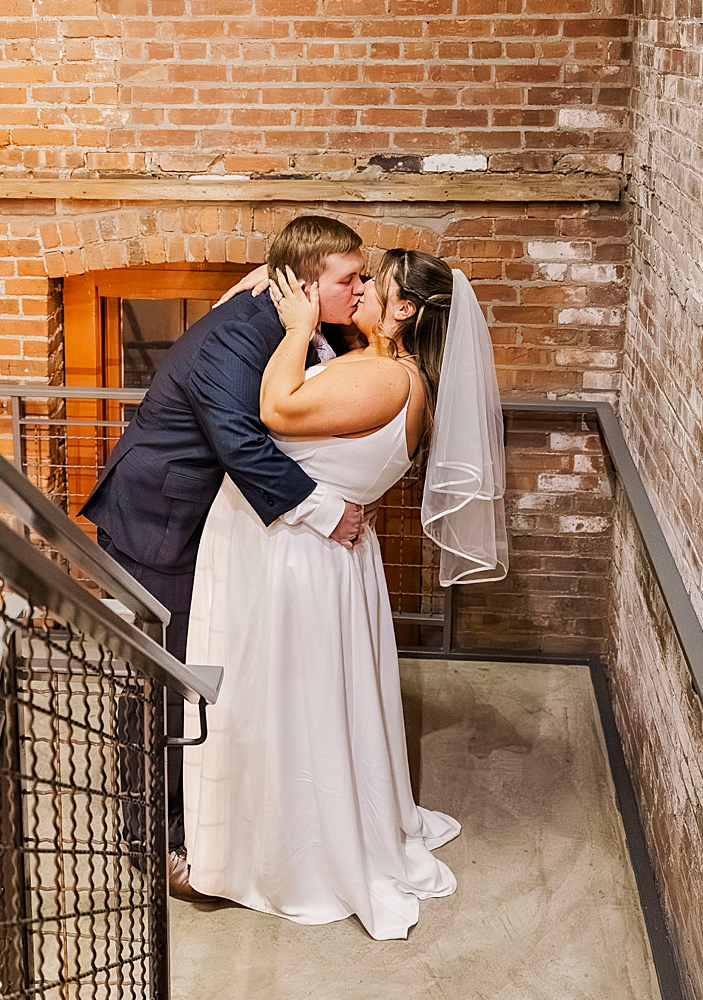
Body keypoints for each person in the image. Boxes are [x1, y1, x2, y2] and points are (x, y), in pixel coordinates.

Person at [182, 249, 508, 939]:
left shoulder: (386, 377)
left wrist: (299, 326)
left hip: (299, 562)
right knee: (301, 701)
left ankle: (283, 854)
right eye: (355, 278)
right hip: (317, 559)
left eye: (373, 280)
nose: (359, 289)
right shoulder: (389, 369)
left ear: (404, 307)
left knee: (286, 701)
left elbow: (275, 408)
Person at [80, 215, 371, 900]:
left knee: (198, 672)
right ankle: (153, 837)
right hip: (158, 521)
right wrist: (328, 514)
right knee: (160, 683)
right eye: (349, 279)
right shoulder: (238, 339)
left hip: (200, 522)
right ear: (303, 285)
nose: (359, 288)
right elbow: (241, 444)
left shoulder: (290, 318)